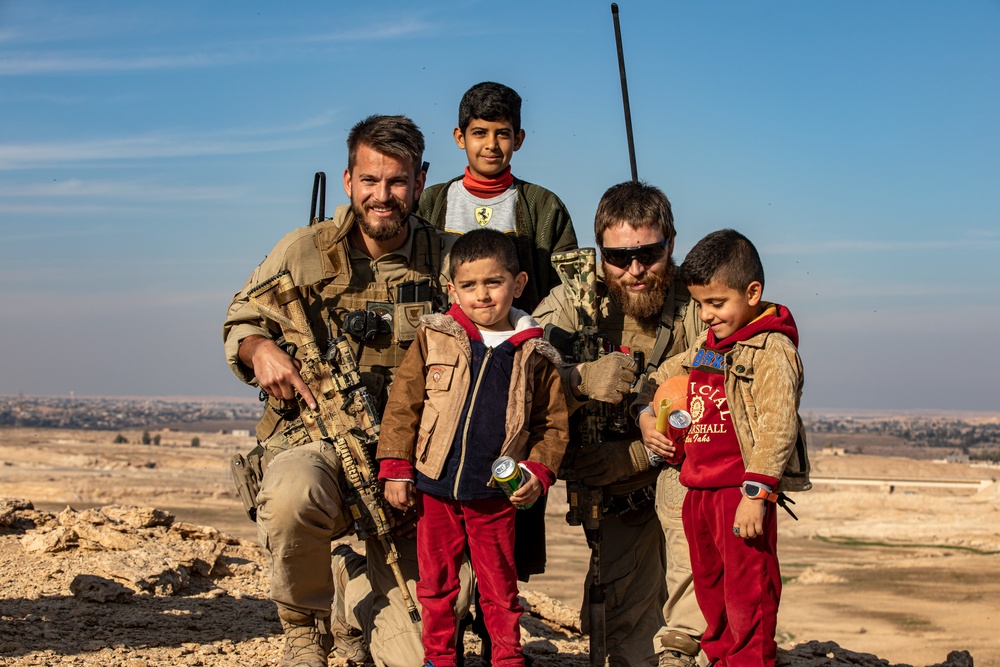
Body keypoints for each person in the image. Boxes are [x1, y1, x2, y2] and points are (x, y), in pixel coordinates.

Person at [223, 114, 460, 667]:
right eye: (370, 180)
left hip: (412, 460)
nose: (383, 195)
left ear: (420, 183)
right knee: (290, 495)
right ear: (348, 180)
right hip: (319, 440)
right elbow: (239, 318)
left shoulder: (451, 259)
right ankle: (304, 626)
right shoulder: (302, 250)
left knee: (422, 650)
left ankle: (352, 593)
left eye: (397, 181)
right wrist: (260, 349)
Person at [532, 181, 707, 667]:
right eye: (617, 257)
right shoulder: (575, 301)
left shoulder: (698, 300)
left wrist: (640, 450)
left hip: (685, 476)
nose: (634, 271)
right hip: (617, 499)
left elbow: (730, 383)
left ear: (671, 244)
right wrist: (578, 379)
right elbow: (521, 369)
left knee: (702, 615)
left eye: (648, 254)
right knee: (625, 637)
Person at [376, 228, 570, 667]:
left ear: (517, 284)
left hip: (494, 494)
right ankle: (439, 658)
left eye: (493, 283)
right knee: (437, 583)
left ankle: (506, 658)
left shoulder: (535, 352)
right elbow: (404, 403)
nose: (481, 296)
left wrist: (538, 474)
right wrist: (396, 466)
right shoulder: (435, 336)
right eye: (468, 285)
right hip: (434, 487)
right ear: (452, 289)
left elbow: (551, 425)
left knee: (499, 586)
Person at [635, 229, 812, 667]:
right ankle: (719, 656)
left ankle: (750, 659)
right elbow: (668, 373)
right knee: (710, 589)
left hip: (739, 493)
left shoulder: (771, 349)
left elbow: (777, 425)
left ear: (753, 292)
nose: (706, 315)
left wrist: (757, 494)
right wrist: (644, 409)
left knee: (747, 591)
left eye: (716, 304)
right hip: (699, 491)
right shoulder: (711, 346)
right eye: (698, 304)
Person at [417, 81, 578, 313]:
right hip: (444, 339)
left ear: (518, 139)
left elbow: (566, 292)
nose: (491, 145)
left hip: (521, 340)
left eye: (502, 134)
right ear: (460, 137)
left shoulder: (544, 206)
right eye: (479, 133)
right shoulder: (431, 201)